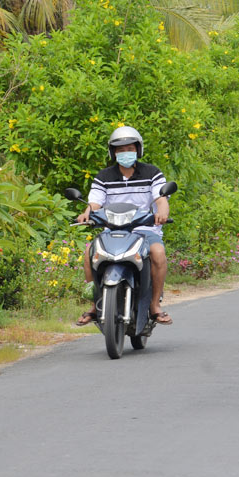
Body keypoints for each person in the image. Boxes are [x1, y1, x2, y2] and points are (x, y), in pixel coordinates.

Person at [75, 125, 172, 326]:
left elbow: (161, 199)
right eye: (120, 150)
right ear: (113, 152)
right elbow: (94, 203)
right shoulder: (104, 177)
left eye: (130, 149)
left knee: (158, 253)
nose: (125, 153)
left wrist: (162, 213)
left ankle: (154, 306)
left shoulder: (152, 173)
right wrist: (86, 214)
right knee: (88, 253)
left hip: (145, 230)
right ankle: (95, 305)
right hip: (113, 230)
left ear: (138, 149)